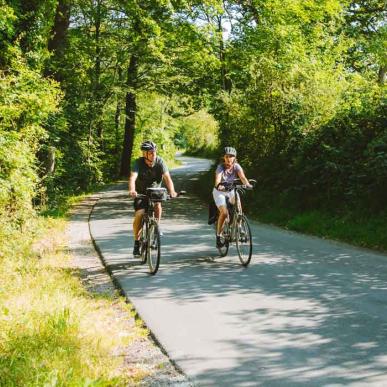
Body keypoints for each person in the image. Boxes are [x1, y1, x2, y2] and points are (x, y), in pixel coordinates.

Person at [129, 140, 177, 256]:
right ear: (144, 154)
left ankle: (156, 228)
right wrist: (132, 189)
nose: (153, 154)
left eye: (154, 152)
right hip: (141, 193)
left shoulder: (160, 162)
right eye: (150, 153)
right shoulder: (138, 163)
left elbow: (167, 178)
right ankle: (137, 241)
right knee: (140, 214)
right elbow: (132, 178)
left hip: (155, 191)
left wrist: (172, 191)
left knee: (158, 205)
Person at [213, 146, 252, 248]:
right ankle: (218, 236)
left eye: (231, 156)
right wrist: (219, 185)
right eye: (227, 156)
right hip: (219, 192)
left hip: (230, 190)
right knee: (224, 213)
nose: (229, 158)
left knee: (237, 201)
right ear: (224, 157)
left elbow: (242, 177)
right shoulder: (220, 167)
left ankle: (239, 226)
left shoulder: (236, 166)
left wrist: (247, 184)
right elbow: (217, 179)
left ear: (234, 158)